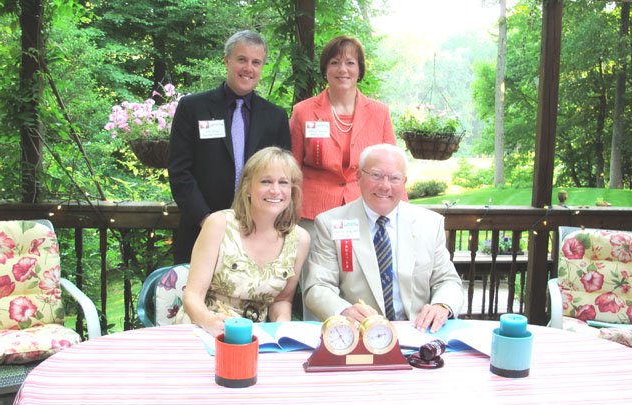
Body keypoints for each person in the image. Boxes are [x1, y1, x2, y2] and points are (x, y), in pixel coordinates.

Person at [289, 35, 396, 318]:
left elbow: (392, 166)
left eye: (350, 62)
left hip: (363, 211)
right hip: (313, 212)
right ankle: (316, 342)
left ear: (360, 69)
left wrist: (401, 213)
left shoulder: (380, 113)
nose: (343, 69)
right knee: (316, 283)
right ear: (325, 68)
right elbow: (291, 168)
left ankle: (367, 339)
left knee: (358, 277)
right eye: (335, 62)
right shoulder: (303, 112)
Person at [304, 144, 463, 333]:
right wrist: (343, 311)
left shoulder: (429, 224)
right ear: (359, 177)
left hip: (418, 331)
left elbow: (447, 280)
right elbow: (318, 286)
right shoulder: (331, 223)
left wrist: (442, 306)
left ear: (404, 182)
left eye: (394, 178)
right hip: (358, 333)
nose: (385, 186)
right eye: (376, 175)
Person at [168, 30, 291, 264]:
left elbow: (283, 176)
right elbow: (179, 170)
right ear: (227, 61)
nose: (249, 68)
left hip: (257, 233)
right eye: (242, 59)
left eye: (256, 62)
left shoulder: (275, 117)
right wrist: (207, 220)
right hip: (200, 228)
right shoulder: (193, 107)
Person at [174, 147, 310, 337]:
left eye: (283, 182)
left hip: (254, 338)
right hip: (203, 331)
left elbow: (282, 300)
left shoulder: (299, 239)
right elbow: (193, 296)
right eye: (266, 181)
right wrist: (209, 322)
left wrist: (282, 327)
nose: (275, 190)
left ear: (292, 190)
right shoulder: (218, 224)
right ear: (247, 187)